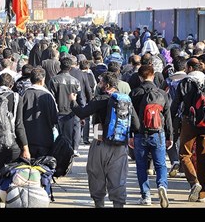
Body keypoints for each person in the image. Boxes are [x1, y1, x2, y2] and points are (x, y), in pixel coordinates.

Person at [70, 71, 139, 208]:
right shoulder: (125, 100)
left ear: (106, 85)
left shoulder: (100, 99)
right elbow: (136, 125)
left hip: (100, 142)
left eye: (101, 82)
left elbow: (82, 113)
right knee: (118, 178)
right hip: (120, 146)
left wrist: (73, 101)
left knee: (96, 174)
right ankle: (118, 204)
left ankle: (99, 204)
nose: (99, 84)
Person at [171, 57, 205, 202]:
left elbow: (176, 105)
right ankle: (202, 194)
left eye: (186, 68)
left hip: (189, 123)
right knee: (203, 158)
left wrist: (171, 125)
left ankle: (194, 183)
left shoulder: (184, 82)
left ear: (191, 68)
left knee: (185, 155)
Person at [129, 65, 173, 208]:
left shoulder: (134, 93)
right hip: (158, 133)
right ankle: (162, 186)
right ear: (153, 76)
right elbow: (167, 116)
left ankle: (146, 196)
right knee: (160, 164)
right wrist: (170, 136)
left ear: (140, 77)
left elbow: (129, 116)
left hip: (139, 134)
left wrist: (130, 135)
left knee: (141, 166)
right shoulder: (162, 93)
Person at [0, 73, 31, 208]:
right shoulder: (16, 97)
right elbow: (19, 125)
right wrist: (25, 148)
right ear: (11, 85)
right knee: (12, 179)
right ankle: (10, 204)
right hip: (12, 144)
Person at [21, 67, 58, 158]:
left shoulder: (24, 94)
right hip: (45, 140)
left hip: (27, 140)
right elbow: (55, 118)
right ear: (43, 80)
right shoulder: (48, 96)